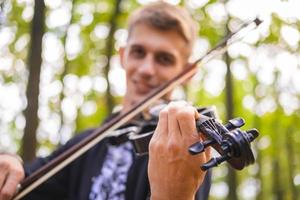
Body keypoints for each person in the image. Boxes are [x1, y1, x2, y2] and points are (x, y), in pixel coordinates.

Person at [0, 2, 211, 200]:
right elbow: (25, 179)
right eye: (138, 52)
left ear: (187, 72)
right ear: (123, 56)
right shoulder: (87, 142)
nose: (147, 70)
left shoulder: (184, 144)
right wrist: (10, 162)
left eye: (164, 59)